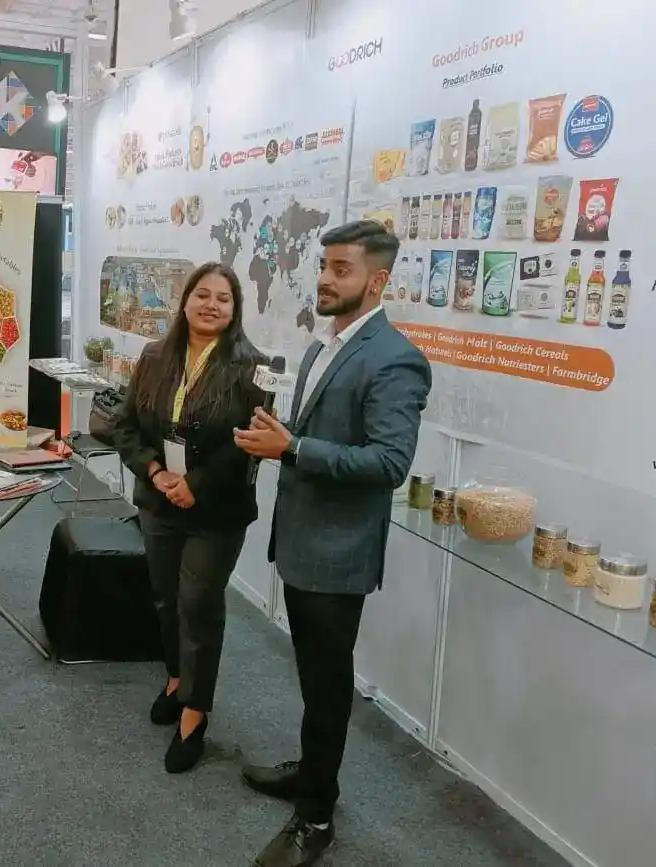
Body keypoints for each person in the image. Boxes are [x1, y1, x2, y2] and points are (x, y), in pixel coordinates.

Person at [234, 220, 432, 867]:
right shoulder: (327, 346)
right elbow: (325, 437)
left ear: (376, 280)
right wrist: (282, 433)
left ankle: (315, 816)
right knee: (314, 676)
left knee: (326, 684)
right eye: (324, 264)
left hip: (338, 554)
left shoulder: (395, 357)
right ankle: (314, 773)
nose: (324, 277)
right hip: (302, 542)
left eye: (340, 268)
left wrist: (292, 446)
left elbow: (387, 464)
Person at [113, 262, 265, 774]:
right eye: (203, 294)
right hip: (159, 499)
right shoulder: (156, 356)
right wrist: (157, 474)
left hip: (216, 511)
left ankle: (195, 715)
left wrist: (192, 485)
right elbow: (127, 426)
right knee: (164, 597)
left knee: (198, 604)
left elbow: (248, 447)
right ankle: (177, 679)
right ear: (185, 301)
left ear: (235, 309)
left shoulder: (251, 368)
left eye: (224, 298)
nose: (211, 305)